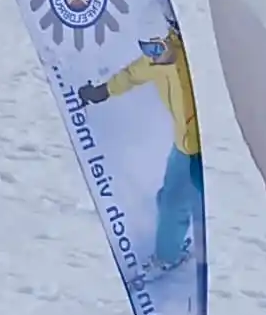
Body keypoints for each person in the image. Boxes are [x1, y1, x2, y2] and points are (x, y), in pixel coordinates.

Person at [79, 27, 202, 270]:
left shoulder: (191, 65)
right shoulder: (154, 63)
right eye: (146, 49)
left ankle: (167, 257)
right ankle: (173, 246)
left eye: (156, 48)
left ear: (169, 42)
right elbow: (130, 75)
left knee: (173, 202)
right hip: (183, 146)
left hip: (201, 149)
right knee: (168, 198)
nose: (152, 55)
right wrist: (101, 92)